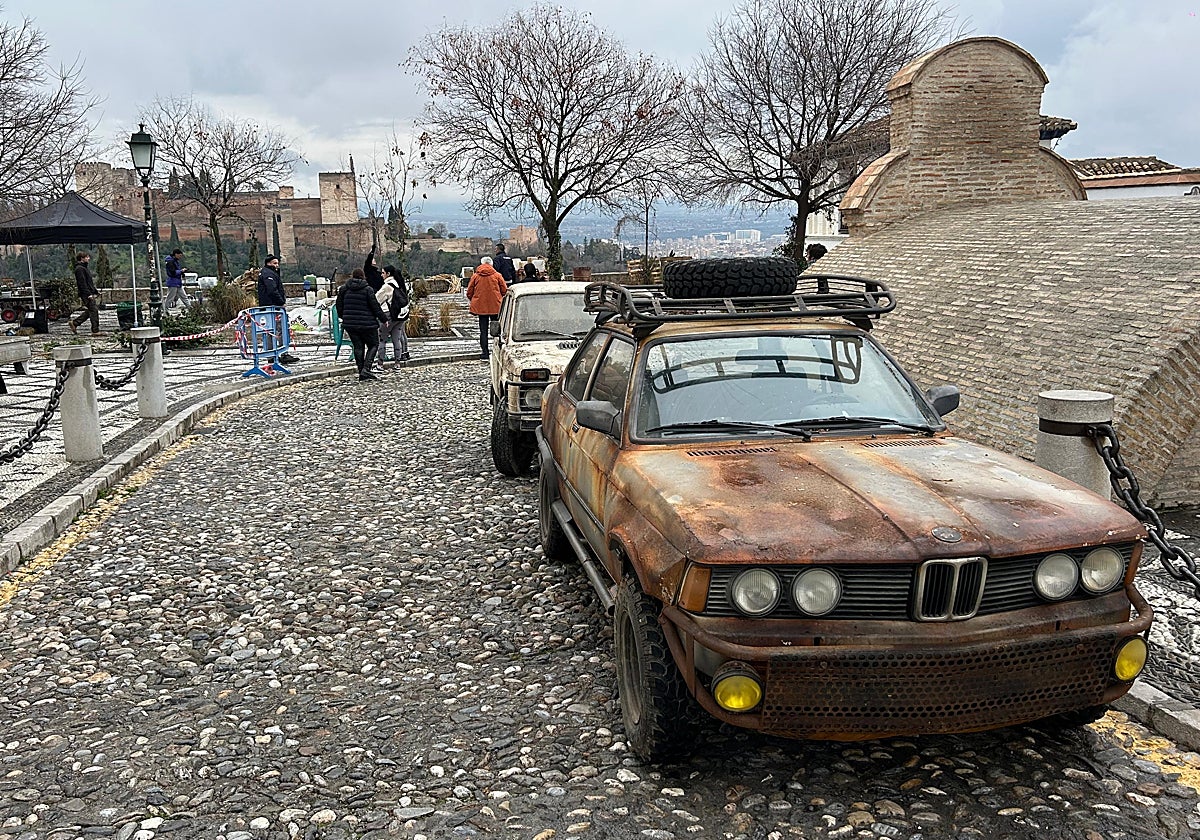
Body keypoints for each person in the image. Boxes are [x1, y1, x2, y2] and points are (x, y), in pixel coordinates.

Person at [336, 268, 388, 381]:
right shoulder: (368, 290)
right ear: (363, 277)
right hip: (367, 324)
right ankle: (366, 369)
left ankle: (361, 370)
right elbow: (375, 307)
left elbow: (338, 306)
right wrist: (384, 319)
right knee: (373, 344)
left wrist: (344, 317)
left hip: (350, 324)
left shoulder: (343, 289)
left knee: (358, 347)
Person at [257, 254, 299, 365]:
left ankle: (271, 355)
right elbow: (272, 290)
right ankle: (282, 353)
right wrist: (281, 302)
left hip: (268, 307)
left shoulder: (268, 273)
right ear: (268, 263)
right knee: (278, 330)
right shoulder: (268, 274)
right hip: (273, 307)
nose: (277, 265)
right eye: (275, 263)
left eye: (277, 263)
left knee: (271, 331)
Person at [466, 256, 507, 361]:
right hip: (495, 306)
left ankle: (485, 352)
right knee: (497, 330)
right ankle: (498, 349)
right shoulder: (497, 275)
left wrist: (474, 300)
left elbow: (469, 291)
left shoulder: (476, 276)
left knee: (483, 330)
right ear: (491, 264)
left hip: (481, 307)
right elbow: (504, 290)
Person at [376, 264, 411, 363]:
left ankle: (380, 364)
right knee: (397, 339)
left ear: (388, 274)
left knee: (382, 340)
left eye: (383, 273)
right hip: (400, 316)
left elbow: (376, 300)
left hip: (389, 315)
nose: (381, 275)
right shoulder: (398, 284)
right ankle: (397, 363)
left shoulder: (386, 286)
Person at [68, 252, 102, 336]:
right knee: (94, 310)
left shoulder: (84, 268)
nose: (88, 258)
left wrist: (95, 291)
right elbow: (82, 283)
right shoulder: (79, 269)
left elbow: (89, 282)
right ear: (82, 258)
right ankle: (95, 330)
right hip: (85, 294)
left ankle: (75, 323)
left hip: (88, 292)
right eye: (86, 257)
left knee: (91, 310)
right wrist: (88, 294)